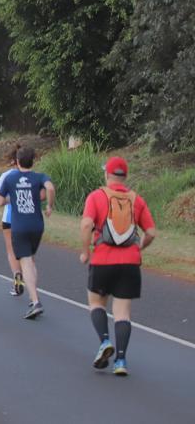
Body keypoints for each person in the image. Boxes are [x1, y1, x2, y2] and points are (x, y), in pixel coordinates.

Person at [80, 156, 156, 376]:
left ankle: (105, 342)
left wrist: (85, 251)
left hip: (103, 260)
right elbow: (151, 232)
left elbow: (86, 224)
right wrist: (139, 248)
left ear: (107, 174)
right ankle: (121, 360)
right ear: (126, 176)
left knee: (96, 303)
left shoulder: (96, 196)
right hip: (130, 263)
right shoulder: (137, 199)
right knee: (122, 313)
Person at [0, 146, 55, 319]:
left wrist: (13, 197)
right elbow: (49, 189)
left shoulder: (10, 178)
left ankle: (35, 301)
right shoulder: (39, 177)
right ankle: (32, 297)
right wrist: (49, 206)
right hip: (37, 225)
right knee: (29, 260)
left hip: (20, 226)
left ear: (17, 161)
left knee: (26, 262)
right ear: (33, 161)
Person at [0, 144, 26, 296]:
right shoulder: (32, 176)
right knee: (26, 251)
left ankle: (17, 276)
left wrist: (11, 199)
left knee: (11, 250)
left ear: (14, 160)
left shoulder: (6, 175)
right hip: (28, 218)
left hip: (9, 218)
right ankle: (27, 279)